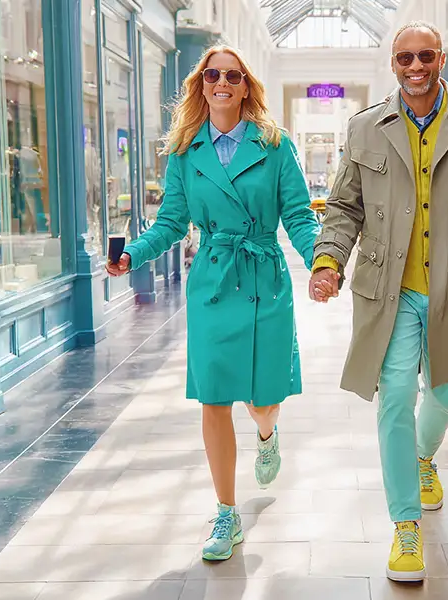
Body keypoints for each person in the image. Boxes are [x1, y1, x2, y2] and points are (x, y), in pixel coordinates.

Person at [308, 21, 448, 582]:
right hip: (390, 289)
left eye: (425, 56)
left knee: (447, 388)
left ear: (440, 59)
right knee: (395, 398)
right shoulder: (365, 127)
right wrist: (329, 260)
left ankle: (423, 457)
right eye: (404, 57)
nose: (415, 67)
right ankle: (406, 525)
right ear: (393, 63)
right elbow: (344, 208)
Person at [107, 45, 319, 562]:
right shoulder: (185, 151)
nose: (221, 82)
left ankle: (267, 433)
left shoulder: (275, 144)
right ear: (201, 85)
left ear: (246, 87)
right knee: (215, 398)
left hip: (264, 277)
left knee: (263, 398)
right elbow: (171, 223)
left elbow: (298, 215)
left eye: (232, 75)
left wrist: (323, 260)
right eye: (211, 74)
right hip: (213, 282)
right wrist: (133, 254)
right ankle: (226, 512)